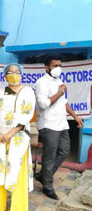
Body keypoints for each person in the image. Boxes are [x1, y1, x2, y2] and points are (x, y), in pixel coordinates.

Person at [0, 64, 36, 211]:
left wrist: (10, 133)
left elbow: (27, 114)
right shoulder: (0, 93)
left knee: (16, 168)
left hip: (18, 136)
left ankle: (18, 206)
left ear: (21, 74)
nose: (13, 74)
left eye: (16, 72)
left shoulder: (28, 92)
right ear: (5, 76)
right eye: (10, 72)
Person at [34, 54, 83, 200]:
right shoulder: (41, 83)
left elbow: (64, 102)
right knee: (49, 156)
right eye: (55, 66)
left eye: (60, 65)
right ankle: (47, 187)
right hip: (48, 124)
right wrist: (61, 91)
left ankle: (43, 175)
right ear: (47, 67)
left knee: (64, 151)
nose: (58, 68)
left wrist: (75, 117)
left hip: (62, 124)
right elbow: (43, 104)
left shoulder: (59, 81)